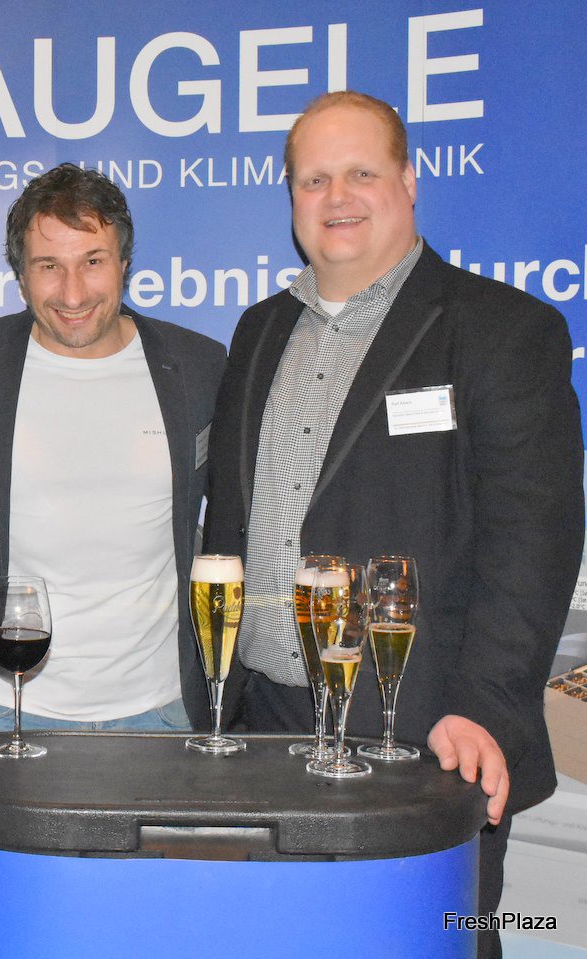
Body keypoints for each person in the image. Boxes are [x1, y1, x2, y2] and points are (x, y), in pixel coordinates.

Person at [203, 91, 583, 957]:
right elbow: (227, 519)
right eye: (314, 180)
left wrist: (484, 708)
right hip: (263, 725)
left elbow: (534, 544)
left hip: (422, 730)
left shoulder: (502, 330)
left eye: (361, 173)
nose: (336, 197)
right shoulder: (259, 330)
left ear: (410, 181)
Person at [0, 163, 226, 749]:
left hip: (164, 715)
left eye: (93, 261)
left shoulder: (199, 367)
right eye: (48, 266)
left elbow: (235, 521)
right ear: (20, 275)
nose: (73, 293)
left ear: (124, 263)